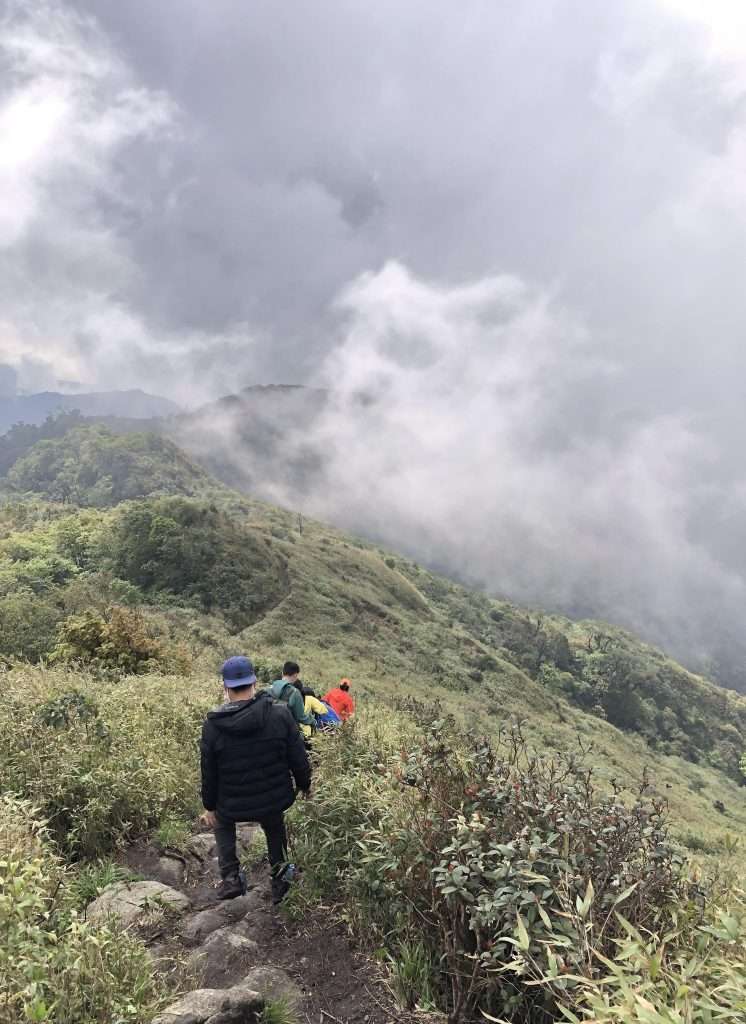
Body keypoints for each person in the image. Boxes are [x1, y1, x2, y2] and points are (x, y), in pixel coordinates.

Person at [201, 655, 311, 904]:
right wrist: (305, 785)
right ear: (255, 683)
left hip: (232, 805)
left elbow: (209, 772)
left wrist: (210, 807)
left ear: (226, 687)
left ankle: (230, 877)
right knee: (274, 825)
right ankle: (280, 878)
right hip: (273, 799)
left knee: (221, 822)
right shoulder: (280, 714)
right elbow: (298, 757)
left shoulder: (213, 726)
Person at [269, 661, 314, 729]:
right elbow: (302, 718)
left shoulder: (268, 689)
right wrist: (313, 720)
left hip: (267, 728)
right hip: (285, 731)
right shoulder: (295, 693)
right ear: (295, 675)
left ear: (282, 673)